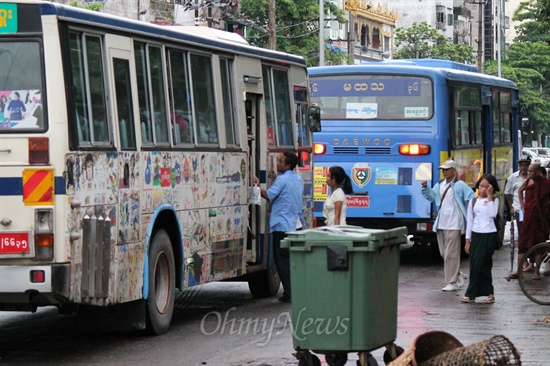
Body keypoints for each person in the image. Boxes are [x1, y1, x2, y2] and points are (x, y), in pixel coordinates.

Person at [253, 151, 304, 303]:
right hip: (295, 225)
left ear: (287, 165)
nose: (277, 163)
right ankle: (295, 290)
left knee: (281, 261)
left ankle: (289, 293)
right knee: (290, 261)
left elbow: (269, 195)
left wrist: (256, 185)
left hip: (281, 225)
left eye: (280, 161)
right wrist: (276, 179)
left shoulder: (282, 180)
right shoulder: (297, 179)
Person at [422, 159, 475, 292]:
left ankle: (452, 282)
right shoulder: (440, 184)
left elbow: (471, 197)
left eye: (447, 169)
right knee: (443, 253)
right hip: (441, 223)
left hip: (455, 223)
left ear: (453, 171)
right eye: (443, 170)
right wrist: (425, 187)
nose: (444, 172)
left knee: (451, 253)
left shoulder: (460, 185)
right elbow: (432, 197)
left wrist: (472, 213)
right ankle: (457, 274)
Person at [506, 162, 550, 281]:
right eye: (529, 171)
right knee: (522, 243)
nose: (529, 173)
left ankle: (536, 271)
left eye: (531, 171)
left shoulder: (545, 183)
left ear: (538, 172)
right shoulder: (528, 181)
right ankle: (518, 271)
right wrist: (523, 206)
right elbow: (520, 191)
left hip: (540, 218)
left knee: (538, 245)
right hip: (528, 217)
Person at [461, 174, 500, 304]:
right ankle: (488, 293)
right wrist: (467, 240)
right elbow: (470, 221)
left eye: (486, 187)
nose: (483, 189)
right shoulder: (473, 201)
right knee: (476, 263)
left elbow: (492, 214)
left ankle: (472, 293)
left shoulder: (494, 200)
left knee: (482, 262)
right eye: (481, 186)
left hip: (489, 234)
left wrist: (489, 196)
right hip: (476, 234)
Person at [504, 157, 530, 236]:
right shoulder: (513, 177)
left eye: (526, 165)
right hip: (520, 209)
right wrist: (511, 207)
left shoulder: (532, 176)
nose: (523, 167)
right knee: (522, 230)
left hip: (532, 207)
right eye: (521, 165)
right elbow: (507, 193)